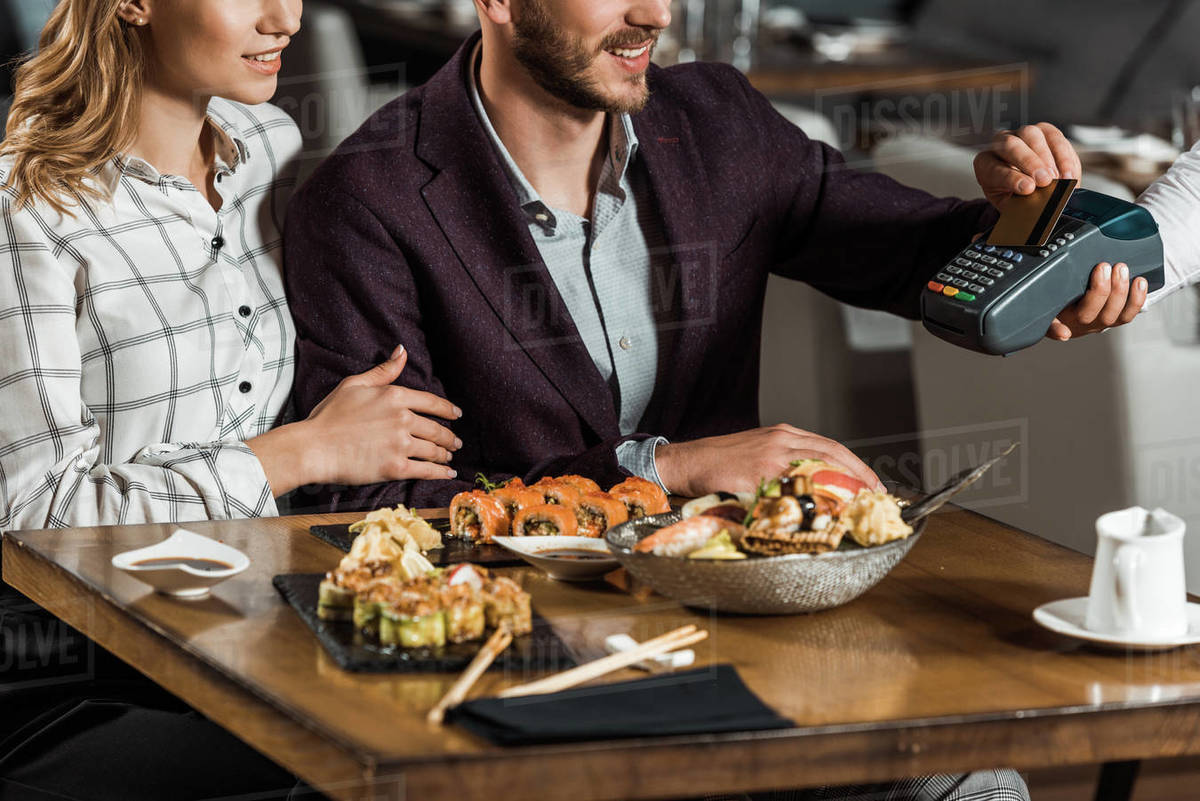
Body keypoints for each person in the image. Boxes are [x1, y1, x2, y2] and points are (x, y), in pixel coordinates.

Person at [283, 0, 1144, 517]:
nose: (657, 14)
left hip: (738, 618)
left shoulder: (717, 122)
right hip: (520, 659)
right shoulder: (367, 204)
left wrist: (1021, 228)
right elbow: (372, 509)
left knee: (977, 783)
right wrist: (667, 469)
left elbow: (908, 252)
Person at [0, 0, 455, 797]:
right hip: (74, 671)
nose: (286, 18)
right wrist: (302, 452)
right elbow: (34, 510)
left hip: (252, 633)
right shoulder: (28, 204)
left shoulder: (272, 144)